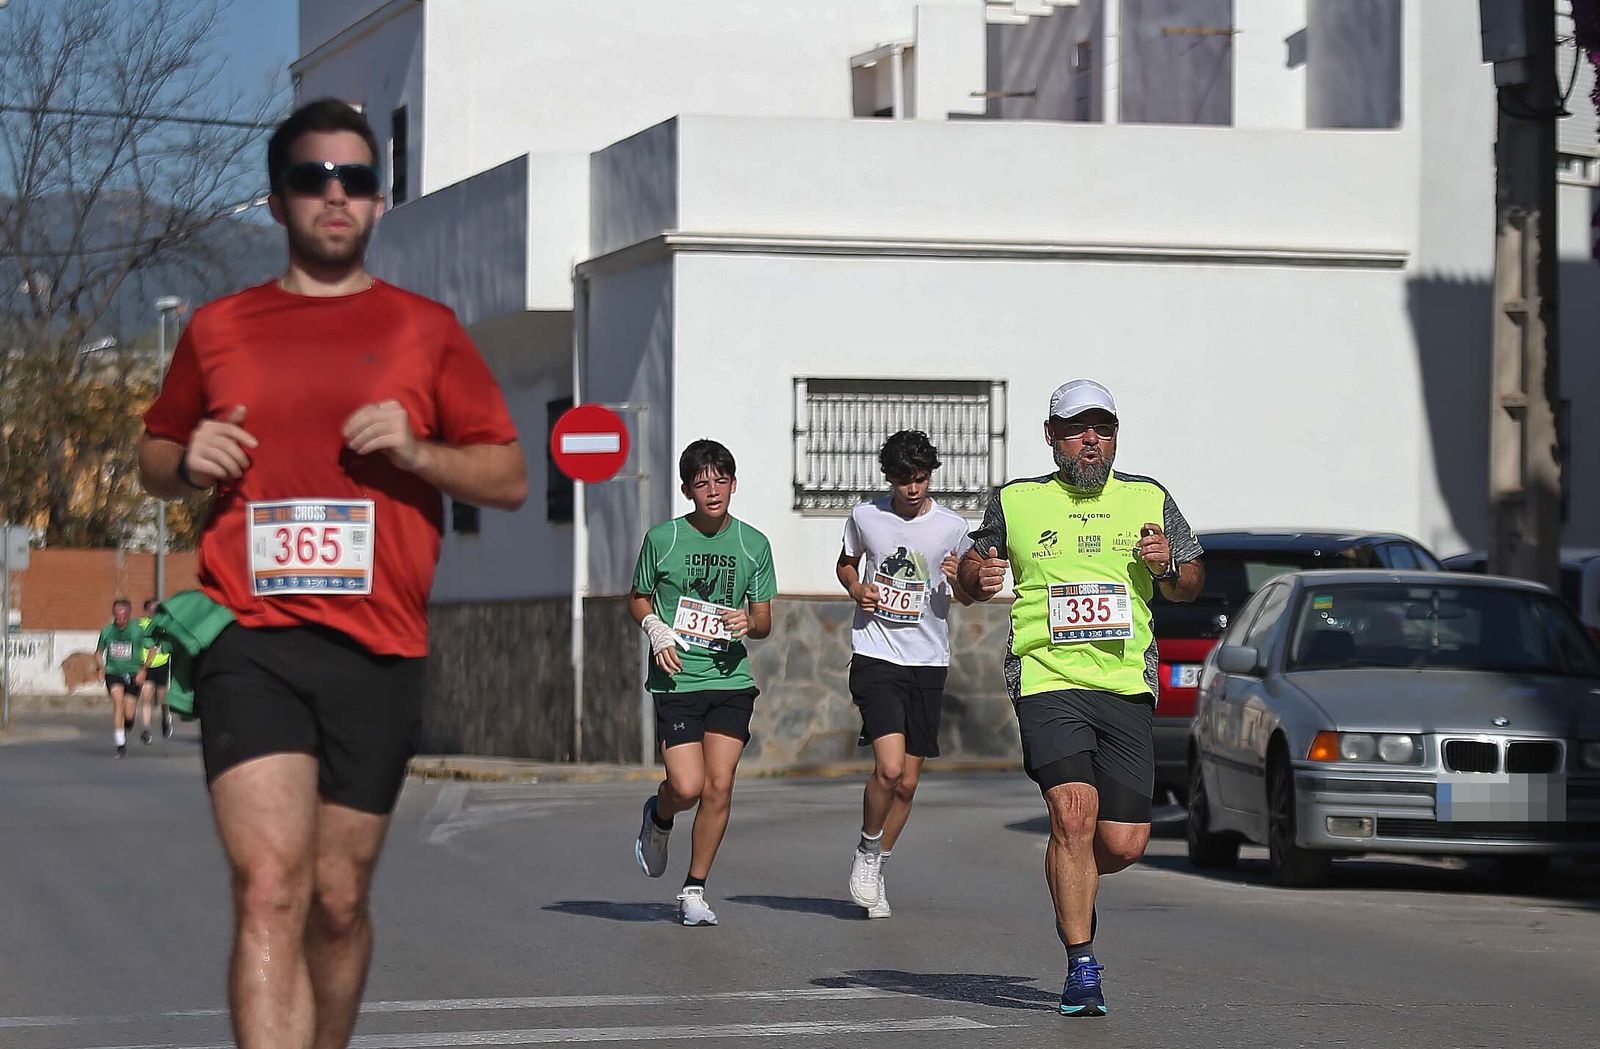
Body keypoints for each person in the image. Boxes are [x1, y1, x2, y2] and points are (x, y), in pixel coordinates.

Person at [137, 99, 527, 1049]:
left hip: (379, 645)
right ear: (278, 200)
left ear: (381, 199)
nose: (335, 195)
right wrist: (187, 458)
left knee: (338, 901)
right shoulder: (221, 327)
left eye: (355, 178)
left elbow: (510, 476)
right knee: (270, 886)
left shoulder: (423, 331)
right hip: (247, 636)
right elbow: (152, 451)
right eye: (314, 178)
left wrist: (420, 450)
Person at [958, 379, 1203, 1018]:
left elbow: (1189, 585)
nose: (1091, 440)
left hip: (1125, 684)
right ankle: (1081, 964)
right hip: (1046, 677)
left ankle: (1074, 873)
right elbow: (970, 571)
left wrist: (1169, 563)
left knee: (1120, 843)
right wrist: (976, 577)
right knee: (1072, 813)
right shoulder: (1016, 501)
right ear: (1052, 438)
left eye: (1102, 428)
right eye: (1077, 429)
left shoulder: (1148, 498)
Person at [630, 439, 776, 927]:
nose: (711, 490)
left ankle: (694, 889)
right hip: (678, 680)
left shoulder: (753, 544)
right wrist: (656, 629)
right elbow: (639, 598)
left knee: (719, 785)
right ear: (687, 489)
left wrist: (746, 623)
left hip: (730, 678)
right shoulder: (663, 539)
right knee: (687, 786)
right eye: (701, 482)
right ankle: (660, 815)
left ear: (733, 485)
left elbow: (763, 619)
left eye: (720, 480)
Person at [837, 431, 972, 918]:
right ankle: (867, 851)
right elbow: (847, 563)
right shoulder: (865, 516)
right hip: (875, 653)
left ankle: (877, 861)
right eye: (902, 479)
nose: (912, 489)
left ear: (930, 475)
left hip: (928, 660)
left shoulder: (954, 528)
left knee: (909, 783)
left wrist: (963, 581)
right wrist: (856, 589)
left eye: (919, 478)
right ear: (889, 478)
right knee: (889, 769)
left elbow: (972, 591)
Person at [96, 597, 146, 758]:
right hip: (113, 671)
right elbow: (98, 652)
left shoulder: (138, 630)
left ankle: (128, 723)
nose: (120, 620)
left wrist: (143, 669)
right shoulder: (107, 631)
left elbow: (152, 648)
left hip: (133, 673)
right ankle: (120, 744)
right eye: (117, 616)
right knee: (118, 703)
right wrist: (101, 667)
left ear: (129, 615)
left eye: (124, 617)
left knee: (129, 713)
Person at [137, 598, 175, 743]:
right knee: (145, 697)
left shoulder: (164, 625)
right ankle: (146, 729)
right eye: (152, 610)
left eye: (157, 610)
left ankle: (166, 716)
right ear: (147, 611)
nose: (155, 613)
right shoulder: (141, 625)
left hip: (161, 664)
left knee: (161, 698)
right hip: (145, 666)